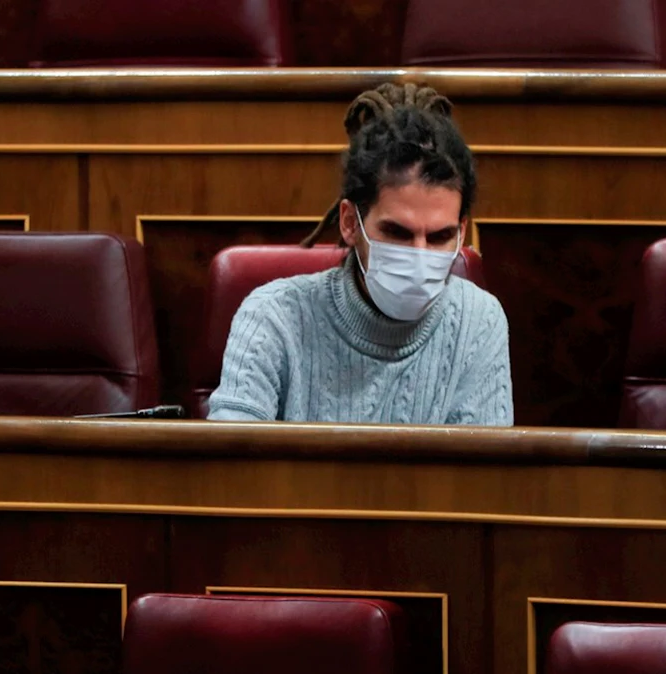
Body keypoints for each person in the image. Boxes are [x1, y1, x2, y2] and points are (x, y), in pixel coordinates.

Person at [207, 83, 513, 425]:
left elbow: (479, 476)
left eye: (441, 236)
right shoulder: (270, 318)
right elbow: (232, 473)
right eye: (397, 232)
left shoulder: (480, 322)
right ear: (351, 223)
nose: (419, 255)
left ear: (463, 232)